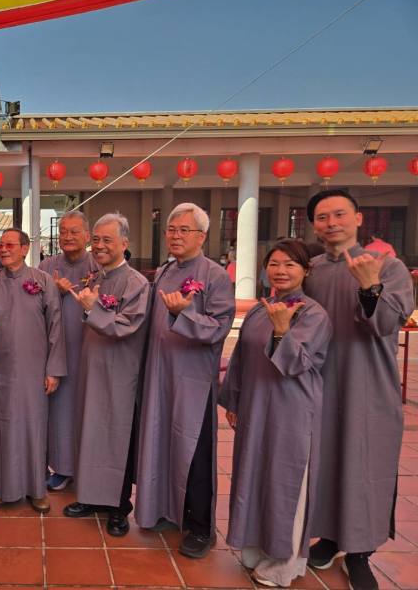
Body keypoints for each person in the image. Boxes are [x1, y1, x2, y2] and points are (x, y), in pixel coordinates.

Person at [304, 189, 414, 590]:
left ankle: (360, 551)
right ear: (313, 225)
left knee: (364, 465)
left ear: (359, 219)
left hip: (367, 387)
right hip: (319, 384)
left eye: (339, 214)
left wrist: (370, 287)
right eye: (321, 217)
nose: (331, 223)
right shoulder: (311, 270)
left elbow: (386, 324)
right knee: (326, 461)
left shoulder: (388, 266)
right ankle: (330, 536)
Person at [220, 239, 332, 587]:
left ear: (305, 270)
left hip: (291, 411)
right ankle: (255, 548)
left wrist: (283, 329)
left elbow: (301, 363)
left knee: (286, 483)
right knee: (254, 475)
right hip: (256, 407)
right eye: (274, 264)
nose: (280, 271)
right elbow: (240, 358)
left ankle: (284, 564)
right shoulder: (260, 308)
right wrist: (235, 401)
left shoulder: (313, 314)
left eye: (290, 265)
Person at [134, 202, 235, 558]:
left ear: (202, 236)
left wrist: (185, 313)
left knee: (193, 451)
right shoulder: (163, 272)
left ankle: (200, 526)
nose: (175, 236)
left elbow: (219, 328)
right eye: (171, 230)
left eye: (184, 230)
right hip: (160, 375)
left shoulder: (215, 275)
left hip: (193, 380)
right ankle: (167, 510)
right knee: (162, 443)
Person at [63, 213, 150, 537]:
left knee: (116, 437)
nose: (98, 245)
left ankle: (118, 507)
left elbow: (126, 326)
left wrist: (91, 309)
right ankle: (90, 496)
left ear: (124, 244)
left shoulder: (136, 283)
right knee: (90, 433)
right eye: (96, 239)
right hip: (91, 370)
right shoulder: (95, 278)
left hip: (118, 373)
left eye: (106, 240)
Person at [0, 228, 66, 513]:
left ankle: (36, 489)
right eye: (0, 245)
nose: (3, 249)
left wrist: (53, 370)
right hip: (1, 370)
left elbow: (56, 327)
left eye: (10, 245)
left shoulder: (42, 281)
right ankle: (4, 489)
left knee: (34, 429)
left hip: (35, 370)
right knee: (2, 427)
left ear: (25, 248)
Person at [38, 211, 98, 491]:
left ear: (87, 236)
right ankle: (62, 467)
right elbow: (34, 307)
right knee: (61, 410)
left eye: (74, 232)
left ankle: (89, 469)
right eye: (63, 232)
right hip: (58, 349)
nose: (68, 237)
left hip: (92, 349)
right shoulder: (48, 267)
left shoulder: (100, 266)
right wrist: (54, 292)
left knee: (90, 410)